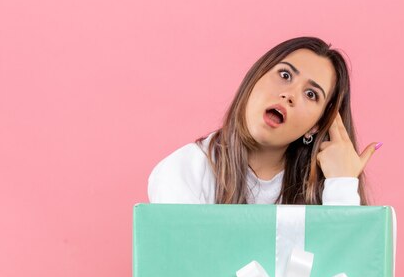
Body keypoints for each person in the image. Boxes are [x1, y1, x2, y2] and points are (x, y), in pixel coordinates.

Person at [148, 36, 382, 206]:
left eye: (311, 94)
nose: (289, 94)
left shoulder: (328, 184)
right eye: (285, 75)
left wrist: (342, 185)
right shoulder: (184, 170)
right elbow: (187, 267)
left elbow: (348, 266)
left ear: (317, 124)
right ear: (255, 78)